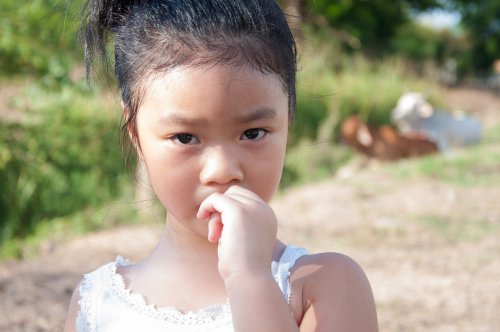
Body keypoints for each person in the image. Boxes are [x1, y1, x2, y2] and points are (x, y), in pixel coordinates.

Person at [64, 0, 378, 331]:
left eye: (253, 133)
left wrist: (250, 277)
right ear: (135, 133)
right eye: (185, 138)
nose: (222, 170)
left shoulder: (321, 285)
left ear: (287, 119)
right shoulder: (97, 302)